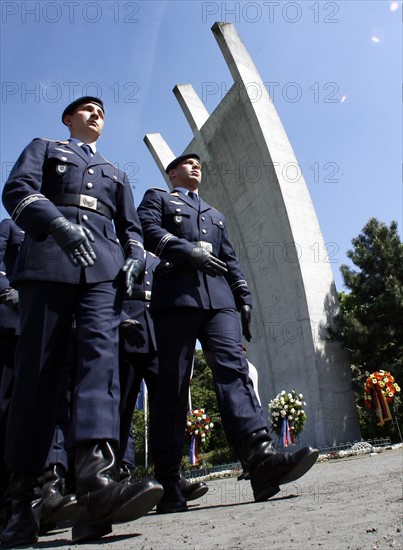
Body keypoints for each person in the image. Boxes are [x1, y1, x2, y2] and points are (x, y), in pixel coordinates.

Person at [1, 97, 162, 546]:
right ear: (68, 119)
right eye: (86, 109)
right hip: (50, 260)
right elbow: (17, 191)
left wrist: (132, 257)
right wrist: (55, 224)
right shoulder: (46, 147)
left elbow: (131, 228)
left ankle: (96, 485)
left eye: (101, 112)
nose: (96, 115)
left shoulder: (117, 173)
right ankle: (28, 499)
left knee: (100, 368)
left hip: (103, 273)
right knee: (38, 374)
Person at [137, 153, 319, 513]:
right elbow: (149, 231)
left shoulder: (215, 215)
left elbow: (231, 259)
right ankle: (169, 481)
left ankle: (261, 460)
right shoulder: (158, 198)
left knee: (234, 373)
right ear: (171, 172)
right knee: (171, 387)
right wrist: (188, 252)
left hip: (218, 301)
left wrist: (244, 297)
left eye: (199, 164)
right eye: (186, 164)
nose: (195, 167)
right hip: (176, 299)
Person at [117, 250, 209, 502]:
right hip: (128, 331)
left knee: (168, 404)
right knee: (122, 407)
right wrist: (120, 319)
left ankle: (169, 476)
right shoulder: (121, 249)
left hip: (160, 332)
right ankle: (118, 478)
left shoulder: (162, 257)